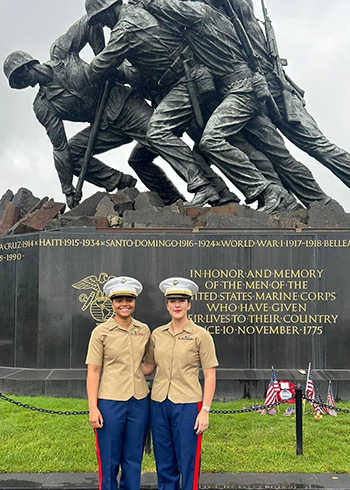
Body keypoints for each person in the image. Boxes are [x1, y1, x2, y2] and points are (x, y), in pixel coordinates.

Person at [3, 16, 183, 208]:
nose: (24, 80)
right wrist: (68, 189)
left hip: (125, 105)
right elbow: (60, 148)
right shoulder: (43, 106)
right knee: (71, 155)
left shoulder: (61, 51)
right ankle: (121, 183)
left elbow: (91, 22)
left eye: (22, 73)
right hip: (105, 127)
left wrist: (105, 63)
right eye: (19, 81)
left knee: (162, 140)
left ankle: (208, 186)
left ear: (29, 63)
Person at [142, 277, 218, 490]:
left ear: (189, 304)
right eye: (172, 300)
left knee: (188, 461)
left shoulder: (201, 336)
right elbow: (148, 367)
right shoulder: (157, 335)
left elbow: (210, 375)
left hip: (187, 404)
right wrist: (117, 365)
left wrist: (205, 410)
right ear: (166, 305)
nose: (177, 305)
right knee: (164, 461)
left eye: (182, 300)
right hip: (159, 403)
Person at [86, 276, 150, 490]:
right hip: (110, 402)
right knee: (109, 460)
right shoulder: (101, 332)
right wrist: (93, 408)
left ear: (134, 301)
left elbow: (148, 364)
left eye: (129, 299)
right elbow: (94, 371)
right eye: (119, 299)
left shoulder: (144, 330)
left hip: (139, 401)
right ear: (112, 302)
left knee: (133, 460)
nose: (124, 303)